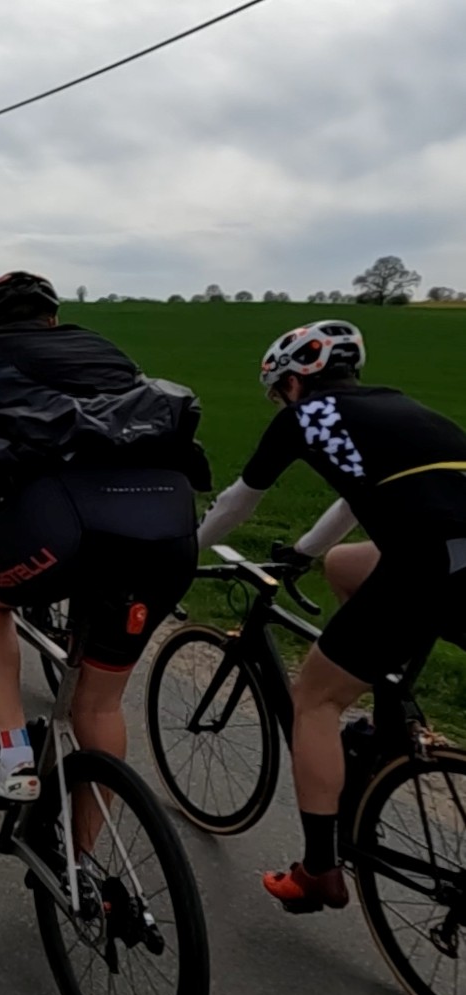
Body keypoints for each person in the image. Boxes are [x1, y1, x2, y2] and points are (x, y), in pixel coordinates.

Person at [0, 273, 208, 816]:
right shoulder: (102, 349)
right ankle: (86, 865)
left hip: (73, 522)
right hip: (169, 529)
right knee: (99, 708)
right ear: (52, 319)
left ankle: (13, 759)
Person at [195, 319, 466, 912]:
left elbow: (239, 501)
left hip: (424, 562)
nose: (280, 400)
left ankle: (318, 869)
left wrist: (183, 553)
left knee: (314, 698)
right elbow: (353, 498)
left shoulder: (306, 417)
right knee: (345, 565)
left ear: (293, 382)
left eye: (278, 391)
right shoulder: (399, 408)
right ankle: (391, 716)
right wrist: (305, 553)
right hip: (456, 556)